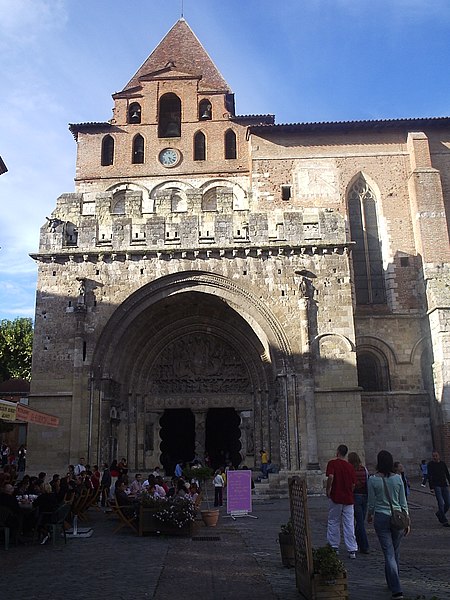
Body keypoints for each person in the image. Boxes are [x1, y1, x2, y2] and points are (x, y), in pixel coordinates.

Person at [368, 450, 410, 600]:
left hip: (381, 517)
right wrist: (407, 520)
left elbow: (371, 502)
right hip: (397, 518)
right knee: (394, 551)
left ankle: (396, 589)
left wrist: (369, 515)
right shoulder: (398, 478)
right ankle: (392, 582)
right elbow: (403, 501)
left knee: (389, 552)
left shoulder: (372, 480)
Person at [325, 444, 358, 558]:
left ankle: (334, 546)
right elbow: (354, 484)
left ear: (338, 452)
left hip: (336, 497)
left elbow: (330, 476)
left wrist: (328, 489)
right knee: (349, 524)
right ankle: (352, 549)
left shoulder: (332, 463)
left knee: (333, 521)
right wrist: (349, 491)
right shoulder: (350, 467)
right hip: (348, 498)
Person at [348, 451, 369, 554]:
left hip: (356, 496)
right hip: (365, 497)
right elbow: (367, 482)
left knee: (359, 522)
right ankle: (357, 543)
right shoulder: (364, 469)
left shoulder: (351, 470)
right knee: (360, 522)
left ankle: (364, 546)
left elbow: (351, 484)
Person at [427, 450, 450, 527]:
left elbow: (447, 473)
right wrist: (431, 487)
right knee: (440, 503)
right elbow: (429, 476)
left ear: (439, 456)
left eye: (436, 455)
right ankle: (444, 520)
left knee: (448, 503)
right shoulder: (430, 464)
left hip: (444, 484)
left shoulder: (442, 464)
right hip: (436, 485)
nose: (435, 457)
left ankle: (439, 514)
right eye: (433, 456)